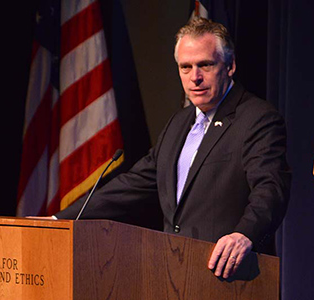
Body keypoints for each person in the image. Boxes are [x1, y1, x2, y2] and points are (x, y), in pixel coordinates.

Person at [54, 17, 291, 279]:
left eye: (205, 65)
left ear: (230, 66)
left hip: (230, 278)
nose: (195, 78)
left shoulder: (257, 118)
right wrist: (60, 220)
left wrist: (245, 234)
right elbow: (134, 183)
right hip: (174, 273)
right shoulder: (179, 122)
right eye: (185, 67)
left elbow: (271, 188)